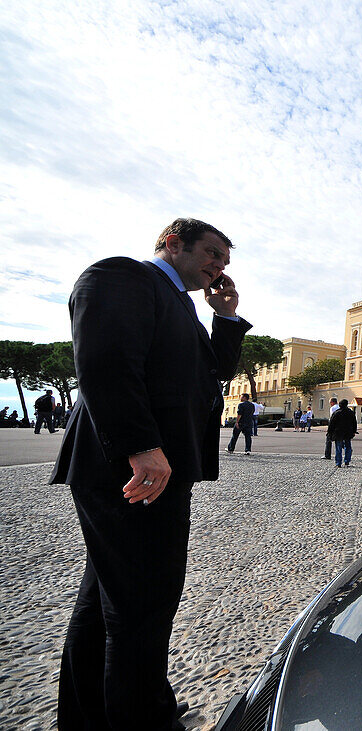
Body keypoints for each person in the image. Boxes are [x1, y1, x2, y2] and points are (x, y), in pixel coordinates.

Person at [50, 218, 249, 729]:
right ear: (171, 243)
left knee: (105, 604)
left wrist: (225, 317)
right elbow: (104, 360)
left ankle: (88, 716)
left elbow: (214, 373)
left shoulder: (182, 305)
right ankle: (145, 720)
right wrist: (141, 445)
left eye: (224, 262)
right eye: (211, 254)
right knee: (143, 607)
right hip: (132, 469)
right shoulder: (125, 276)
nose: (218, 267)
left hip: (153, 470)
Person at [328, 399, 358, 467]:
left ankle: (338, 463)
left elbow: (331, 424)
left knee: (338, 448)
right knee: (348, 447)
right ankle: (347, 461)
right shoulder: (351, 412)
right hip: (348, 432)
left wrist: (330, 432)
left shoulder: (336, 413)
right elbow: (354, 422)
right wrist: (354, 431)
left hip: (338, 432)